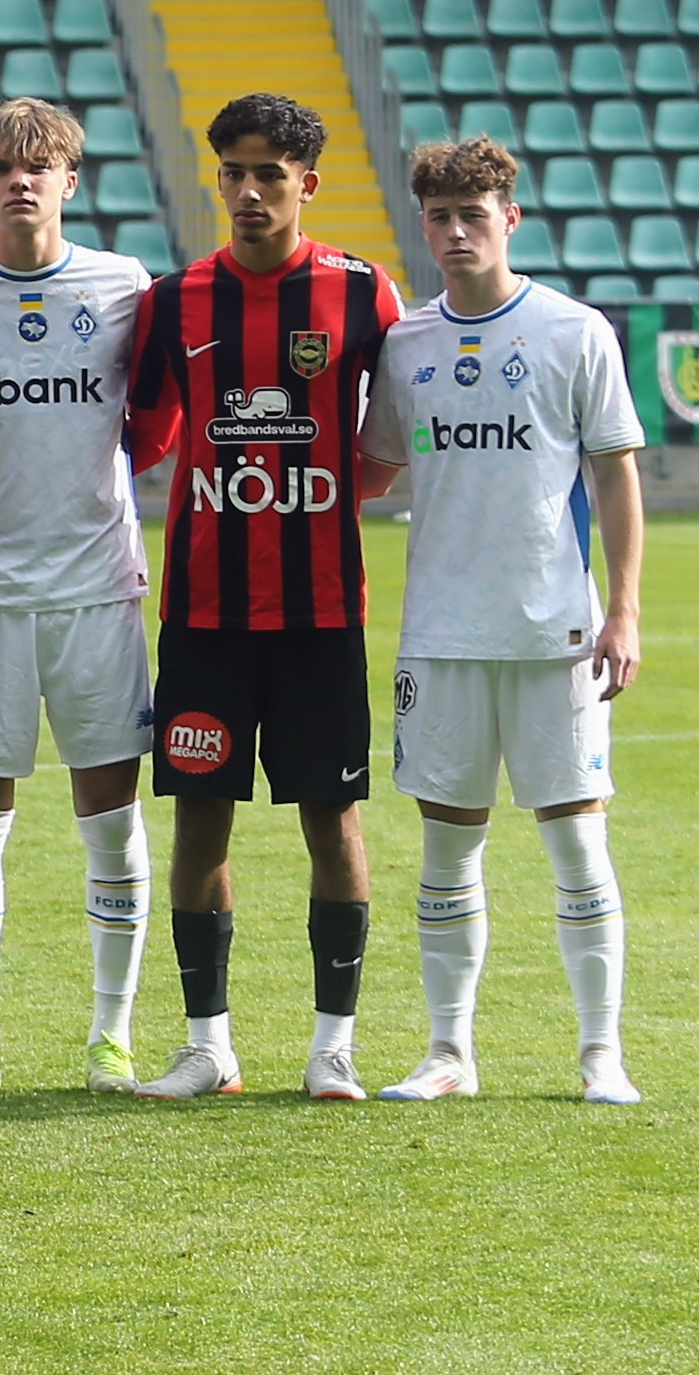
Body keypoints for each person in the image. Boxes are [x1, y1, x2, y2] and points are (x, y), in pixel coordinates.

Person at [125, 93, 405, 1100]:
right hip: (203, 613)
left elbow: (395, 438)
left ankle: (333, 1047)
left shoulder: (363, 294)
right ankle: (208, 1045)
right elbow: (144, 438)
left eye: (267, 176)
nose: (246, 194)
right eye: (231, 175)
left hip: (321, 614)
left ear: (306, 185)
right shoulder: (171, 302)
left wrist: (321, 493)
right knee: (200, 820)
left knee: (331, 821)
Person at [370, 137, 647, 1105]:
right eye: (437, 218)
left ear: (508, 219)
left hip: (552, 637)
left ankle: (599, 1055)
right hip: (441, 638)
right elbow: (375, 467)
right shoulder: (403, 344)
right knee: (447, 852)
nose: (452, 233)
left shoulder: (575, 332)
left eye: (471, 216)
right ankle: (449, 1053)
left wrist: (621, 610)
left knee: (576, 847)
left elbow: (614, 472)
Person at [0, 98, 160, 1097]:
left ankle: (111, 1037)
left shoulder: (123, 287)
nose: (20, 182)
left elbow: (157, 411)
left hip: (96, 588)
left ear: (69, 181)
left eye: (38, 165)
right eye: (1, 168)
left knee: (110, 813)